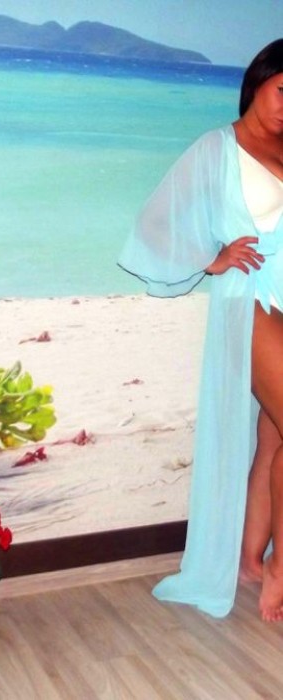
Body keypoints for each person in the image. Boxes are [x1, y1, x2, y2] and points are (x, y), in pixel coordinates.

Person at [118, 39, 283, 621]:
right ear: (258, 81)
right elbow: (157, 221)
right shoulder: (217, 147)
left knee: (273, 438)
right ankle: (281, 571)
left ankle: (250, 560)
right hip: (252, 300)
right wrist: (210, 260)